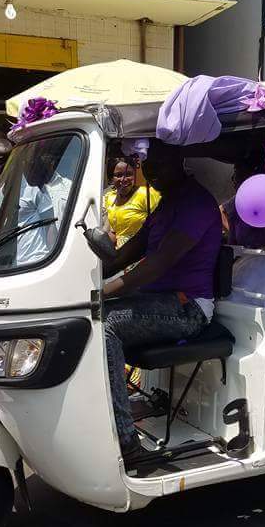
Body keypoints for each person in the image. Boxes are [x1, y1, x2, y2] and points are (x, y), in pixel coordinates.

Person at [98, 142, 222, 460]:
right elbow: (130, 251)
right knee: (90, 318)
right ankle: (100, 420)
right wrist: (87, 275)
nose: (151, 171)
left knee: (105, 325)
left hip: (187, 308)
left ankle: (126, 441)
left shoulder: (195, 202)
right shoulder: (167, 203)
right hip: (158, 301)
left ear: (179, 160)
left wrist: (102, 292)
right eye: (146, 164)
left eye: (159, 163)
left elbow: (157, 263)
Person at [15, 143, 73, 266]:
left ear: (53, 160)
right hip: (35, 258)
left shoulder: (69, 187)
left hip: (64, 253)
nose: (40, 160)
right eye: (38, 157)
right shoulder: (28, 189)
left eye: (45, 156)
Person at [103, 157, 160, 248]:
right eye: (119, 175)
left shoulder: (147, 195)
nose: (124, 179)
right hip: (121, 255)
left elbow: (160, 226)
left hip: (142, 254)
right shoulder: (110, 198)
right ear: (111, 179)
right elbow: (117, 232)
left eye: (128, 174)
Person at [221, 159, 265, 248]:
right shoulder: (237, 203)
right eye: (235, 173)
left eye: (239, 174)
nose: (233, 179)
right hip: (244, 258)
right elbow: (221, 211)